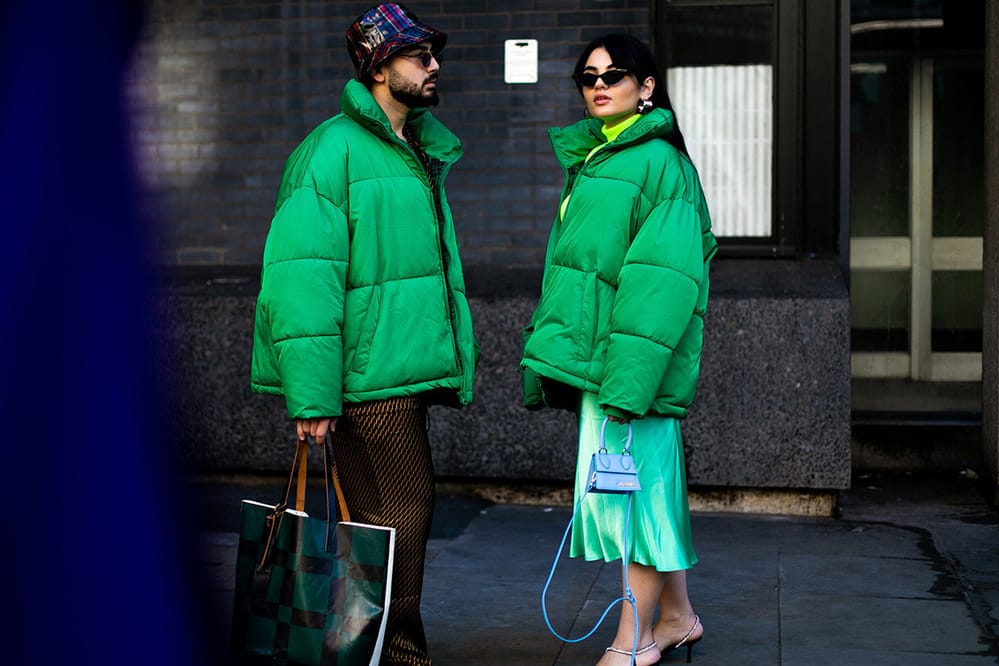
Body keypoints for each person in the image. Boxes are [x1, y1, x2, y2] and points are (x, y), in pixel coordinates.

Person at [250, 4, 478, 664]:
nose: (434, 65)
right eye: (418, 56)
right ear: (379, 66)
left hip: (393, 366)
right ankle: (399, 653)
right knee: (406, 510)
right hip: (366, 377)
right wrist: (313, 398)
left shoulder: (412, 149)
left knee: (378, 522)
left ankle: (362, 649)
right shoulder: (329, 153)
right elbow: (301, 282)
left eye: (433, 54)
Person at [521, 34, 716, 665]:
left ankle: (632, 644)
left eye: (615, 73)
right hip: (609, 367)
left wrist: (628, 386)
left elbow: (661, 285)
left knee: (632, 504)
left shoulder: (660, 163)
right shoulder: (598, 161)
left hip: (629, 373)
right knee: (645, 493)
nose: (599, 83)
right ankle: (678, 616)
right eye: (588, 75)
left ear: (648, 86)